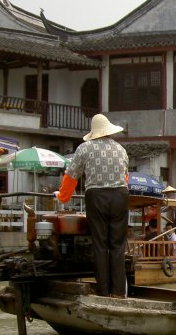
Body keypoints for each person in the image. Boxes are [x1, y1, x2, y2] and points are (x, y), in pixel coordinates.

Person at [55, 114, 129, 297]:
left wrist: (63, 197)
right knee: (117, 245)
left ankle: (104, 292)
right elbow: (125, 178)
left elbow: (71, 175)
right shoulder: (120, 149)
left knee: (100, 245)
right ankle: (118, 292)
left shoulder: (85, 148)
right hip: (120, 196)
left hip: (96, 197)